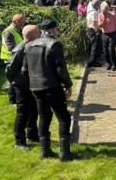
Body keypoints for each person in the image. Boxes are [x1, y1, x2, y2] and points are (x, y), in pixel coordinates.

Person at [23, 20, 77, 161]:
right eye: (56, 29)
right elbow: (61, 69)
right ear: (53, 30)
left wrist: (33, 81)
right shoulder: (55, 44)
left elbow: (24, 70)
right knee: (64, 117)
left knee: (44, 117)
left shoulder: (28, 45)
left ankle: (45, 152)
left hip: (35, 87)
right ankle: (65, 154)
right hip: (52, 86)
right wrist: (68, 84)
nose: (57, 32)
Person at [5, 24, 40, 150]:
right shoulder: (20, 49)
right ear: (32, 36)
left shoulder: (31, 46)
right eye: (38, 33)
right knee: (22, 113)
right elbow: (10, 69)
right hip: (22, 86)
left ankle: (32, 135)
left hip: (31, 84)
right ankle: (19, 141)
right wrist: (14, 82)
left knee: (34, 110)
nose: (40, 35)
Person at [1, 14, 25, 105]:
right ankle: (12, 101)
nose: (24, 23)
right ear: (15, 22)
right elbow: (11, 47)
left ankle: (18, 98)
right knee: (12, 81)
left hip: (18, 58)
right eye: (22, 21)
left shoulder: (19, 30)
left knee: (18, 79)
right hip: (10, 59)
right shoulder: (8, 32)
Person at [98, 3, 116, 71]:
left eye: (105, 11)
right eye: (103, 11)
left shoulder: (113, 15)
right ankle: (109, 64)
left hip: (113, 33)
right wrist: (104, 18)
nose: (104, 13)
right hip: (105, 34)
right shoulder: (100, 15)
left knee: (111, 49)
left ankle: (114, 64)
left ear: (108, 9)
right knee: (105, 50)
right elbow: (100, 26)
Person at [86, 0, 102, 68]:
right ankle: (93, 62)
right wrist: (97, 31)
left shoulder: (89, 12)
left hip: (89, 29)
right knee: (95, 47)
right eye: (99, 5)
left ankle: (93, 61)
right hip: (93, 30)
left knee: (93, 46)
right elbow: (95, 23)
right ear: (97, 5)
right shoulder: (95, 12)